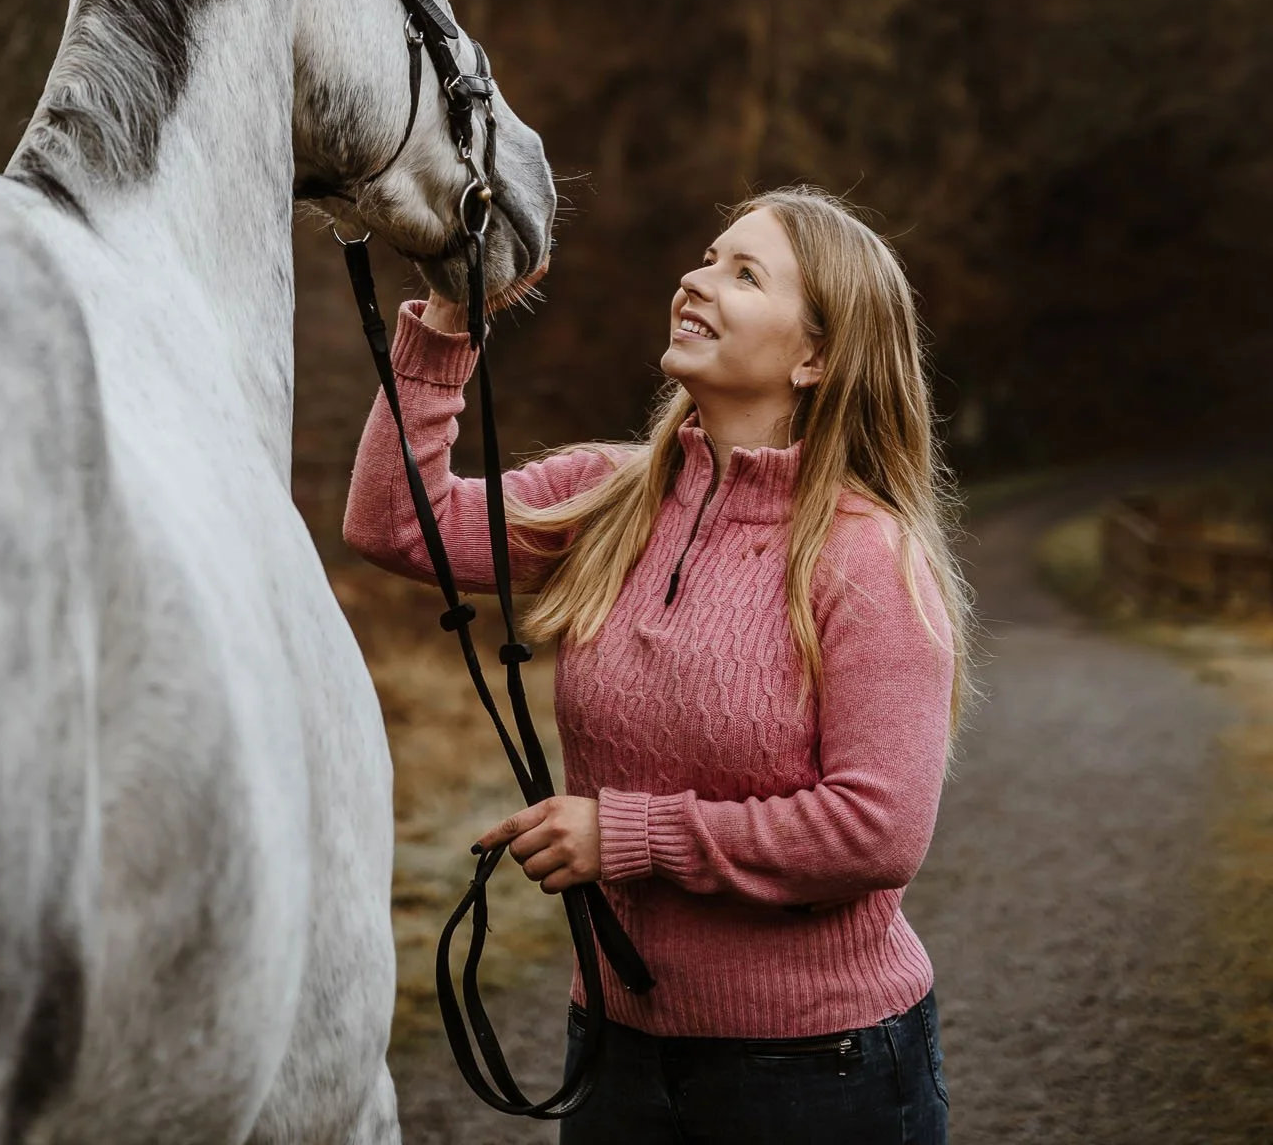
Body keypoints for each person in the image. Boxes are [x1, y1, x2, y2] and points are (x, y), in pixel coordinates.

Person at [344, 184, 967, 1145]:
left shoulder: (866, 556)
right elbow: (394, 523)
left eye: (745, 274)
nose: (696, 280)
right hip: (617, 1047)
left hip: (820, 1067)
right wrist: (452, 320)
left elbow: (877, 833)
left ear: (815, 357)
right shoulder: (607, 496)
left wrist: (627, 836)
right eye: (708, 258)